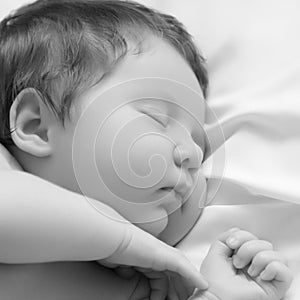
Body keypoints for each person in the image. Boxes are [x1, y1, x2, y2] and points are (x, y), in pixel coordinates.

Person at [0, 0, 292, 299]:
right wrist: (127, 244)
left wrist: (215, 295)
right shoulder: (6, 173)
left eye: (201, 148)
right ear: (36, 125)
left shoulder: (152, 286)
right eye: (156, 117)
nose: (192, 155)